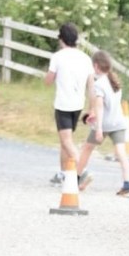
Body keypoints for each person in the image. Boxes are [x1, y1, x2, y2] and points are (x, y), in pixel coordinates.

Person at [76, 50, 129, 198]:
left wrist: (99, 129)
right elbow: (110, 105)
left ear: (95, 66)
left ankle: (77, 178)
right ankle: (127, 185)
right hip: (119, 122)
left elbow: (101, 107)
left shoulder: (99, 85)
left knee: (87, 148)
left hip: (105, 124)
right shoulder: (115, 81)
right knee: (121, 153)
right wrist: (93, 114)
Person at [44, 22, 94, 186]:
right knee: (66, 139)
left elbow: (48, 81)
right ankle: (63, 173)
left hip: (63, 103)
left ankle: (82, 170)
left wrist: (49, 75)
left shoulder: (58, 56)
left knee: (66, 141)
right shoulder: (85, 58)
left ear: (61, 39)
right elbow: (91, 85)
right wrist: (92, 107)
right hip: (78, 103)